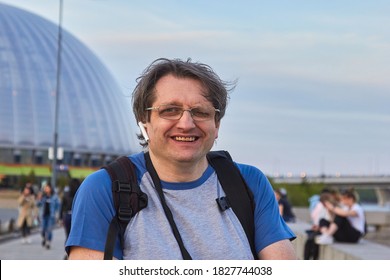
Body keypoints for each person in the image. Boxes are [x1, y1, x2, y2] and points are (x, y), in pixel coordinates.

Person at [66, 58, 297, 260]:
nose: (186, 124)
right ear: (144, 121)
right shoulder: (106, 189)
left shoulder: (248, 183)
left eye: (201, 112)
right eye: (170, 110)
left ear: (216, 124)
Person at [37, 182, 60, 249]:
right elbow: (38, 204)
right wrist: (39, 198)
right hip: (43, 215)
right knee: (43, 229)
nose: (46, 189)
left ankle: (48, 242)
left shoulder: (54, 197)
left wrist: (57, 214)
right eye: (45, 188)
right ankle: (44, 238)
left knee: (49, 229)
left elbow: (58, 205)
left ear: (50, 188)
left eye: (47, 188)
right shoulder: (43, 196)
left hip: (51, 215)